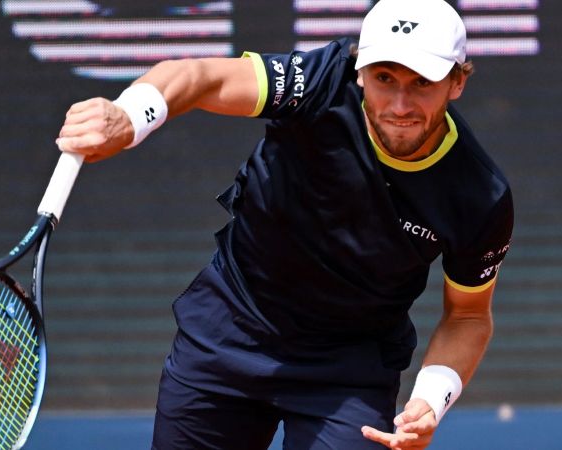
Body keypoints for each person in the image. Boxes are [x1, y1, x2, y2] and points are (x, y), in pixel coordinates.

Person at [55, 0, 513, 448]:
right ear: (360, 72)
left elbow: (468, 316)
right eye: (384, 78)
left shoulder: (479, 194)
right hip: (231, 329)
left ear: (457, 82)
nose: (398, 103)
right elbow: (199, 77)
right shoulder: (320, 84)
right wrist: (129, 116)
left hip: (347, 368)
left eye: (422, 83)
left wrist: (432, 400)